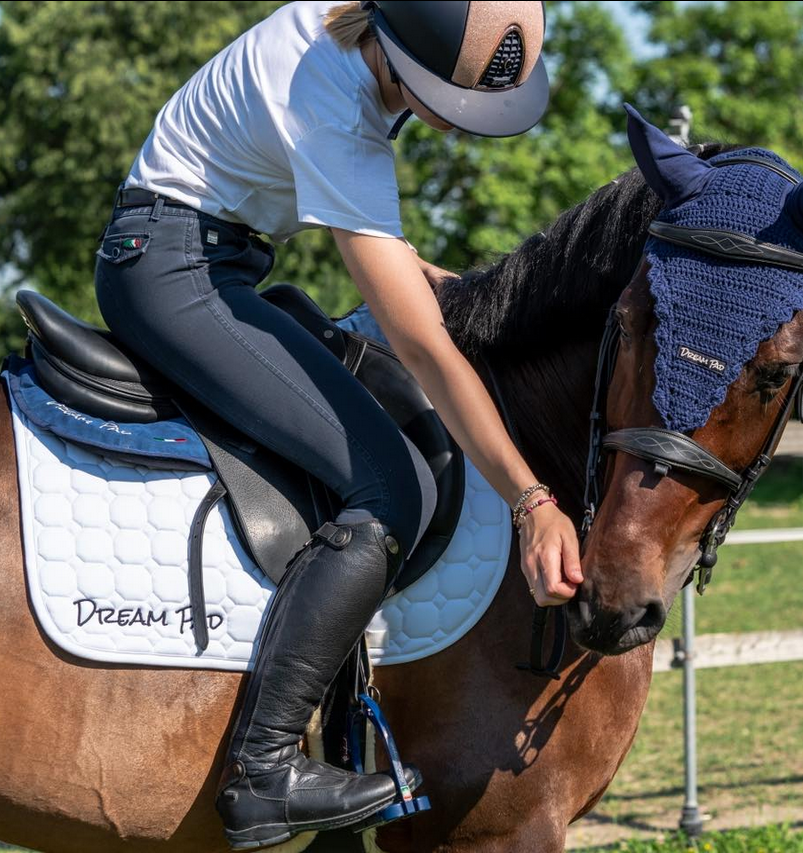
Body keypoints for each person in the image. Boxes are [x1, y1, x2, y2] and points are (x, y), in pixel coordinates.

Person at [93, 1, 583, 849]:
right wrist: (530, 498)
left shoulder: (359, 35)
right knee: (386, 485)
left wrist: (458, 284)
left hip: (225, 262)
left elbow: (383, 254)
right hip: (173, 269)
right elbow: (422, 349)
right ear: (393, 54)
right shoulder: (328, 91)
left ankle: (344, 726)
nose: (454, 127)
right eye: (443, 99)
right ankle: (263, 769)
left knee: (409, 448)